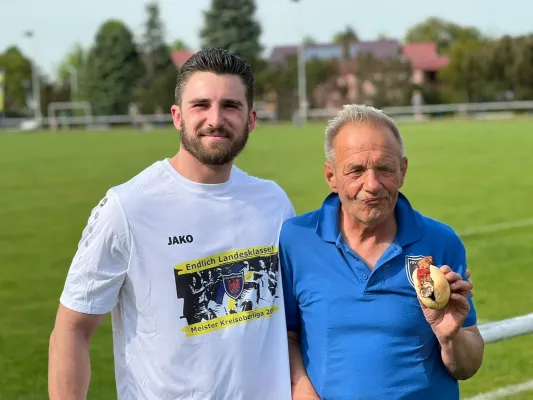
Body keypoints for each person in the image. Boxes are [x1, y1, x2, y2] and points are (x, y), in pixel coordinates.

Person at [48, 48, 295, 400]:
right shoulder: (127, 208)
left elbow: (293, 324)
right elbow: (71, 330)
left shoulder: (273, 204)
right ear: (177, 116)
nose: (215, 119)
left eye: (230, 106)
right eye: (201, 105)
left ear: (251, 119)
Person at [279, 104, 484, 400]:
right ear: (331, 176)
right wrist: (303, 391)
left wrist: (450, 337)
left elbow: (467, 366)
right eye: (356, 170)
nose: (372, 185)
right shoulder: (296, 240)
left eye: (385, 168)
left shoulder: (441, 242)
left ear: (402, 171)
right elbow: (286, 336)